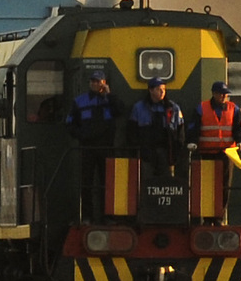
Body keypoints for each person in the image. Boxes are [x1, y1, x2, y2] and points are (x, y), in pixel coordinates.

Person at [68, 71, 119, 218]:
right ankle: (87, 217)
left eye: (98, 81)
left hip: (106, 148)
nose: (95, 84)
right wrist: (82, 135)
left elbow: (119, 111)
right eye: (93, 81)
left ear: (104, 83)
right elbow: (70, 123)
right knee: (86, 184)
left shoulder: (110, 101)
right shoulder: (80, 101)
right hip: (87, 148)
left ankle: (107, 217)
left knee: (108, 184)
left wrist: (109, 96)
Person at [195, 80, 241, 219]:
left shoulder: (233, 109)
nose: (223, 97)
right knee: (205, 186)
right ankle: (204, 216)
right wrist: (192, 143)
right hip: (206, 153)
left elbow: (239, 129)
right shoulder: (202, 108)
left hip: (226, 154)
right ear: (214, 94)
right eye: (221, 94)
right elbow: (194, 128)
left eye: (226, 94)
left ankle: (219, 216)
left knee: (224, 187)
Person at [129, 79, 189, 178]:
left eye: (164, 89)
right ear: (150, 90)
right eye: (158, 89)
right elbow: (132, 131)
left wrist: (178, 149)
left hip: (167, 153)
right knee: (145, 180)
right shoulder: (139, 108)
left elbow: (180, 131)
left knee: (167, 180)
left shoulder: (173, 108)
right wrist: (138, 148)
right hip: (146, 154)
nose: (162, 92)